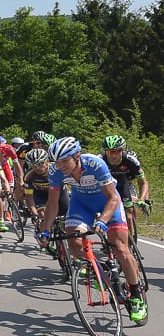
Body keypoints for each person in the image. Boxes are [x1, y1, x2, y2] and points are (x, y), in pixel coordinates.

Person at [35, 137, 145, 322]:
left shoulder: (95, 164)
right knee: (73, 238)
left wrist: (103, 220)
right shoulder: (55, 171)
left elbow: (113, 198)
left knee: (120, 248)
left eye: (64, 161)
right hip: (81, 204)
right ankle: (97, 270)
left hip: (108, 202)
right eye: (56, 162)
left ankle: (136, 294)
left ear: (77, 156)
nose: (60, 166)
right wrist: (46, 230)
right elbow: (52, 203)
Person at [100, 135, 151, 237]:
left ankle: (130, 236)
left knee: (130, 211)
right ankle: (109, 235)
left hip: (126, 184)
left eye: (117, 152)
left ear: (123, 150)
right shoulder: (100, 160)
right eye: (110, 152)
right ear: (105, 151)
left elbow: (143, 183)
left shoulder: (131, 161)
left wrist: (142, 199)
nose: (113, 156)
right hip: (107, 186)